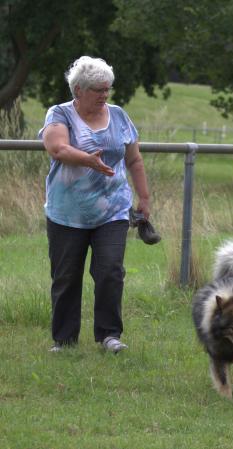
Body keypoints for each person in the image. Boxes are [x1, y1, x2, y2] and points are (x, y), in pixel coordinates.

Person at [39, 56, 151, 353]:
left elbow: (134, 159)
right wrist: (87, 160)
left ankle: (109, 335)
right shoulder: (59, 114)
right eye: (98, 90)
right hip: (67, 213)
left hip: (112, 211)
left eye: (107, 89)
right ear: (78, 90)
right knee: (65, 276)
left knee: (110, 271)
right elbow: (57, 147)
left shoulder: (118, 115)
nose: (105, 95)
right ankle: (64, 340)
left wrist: (145, 198)